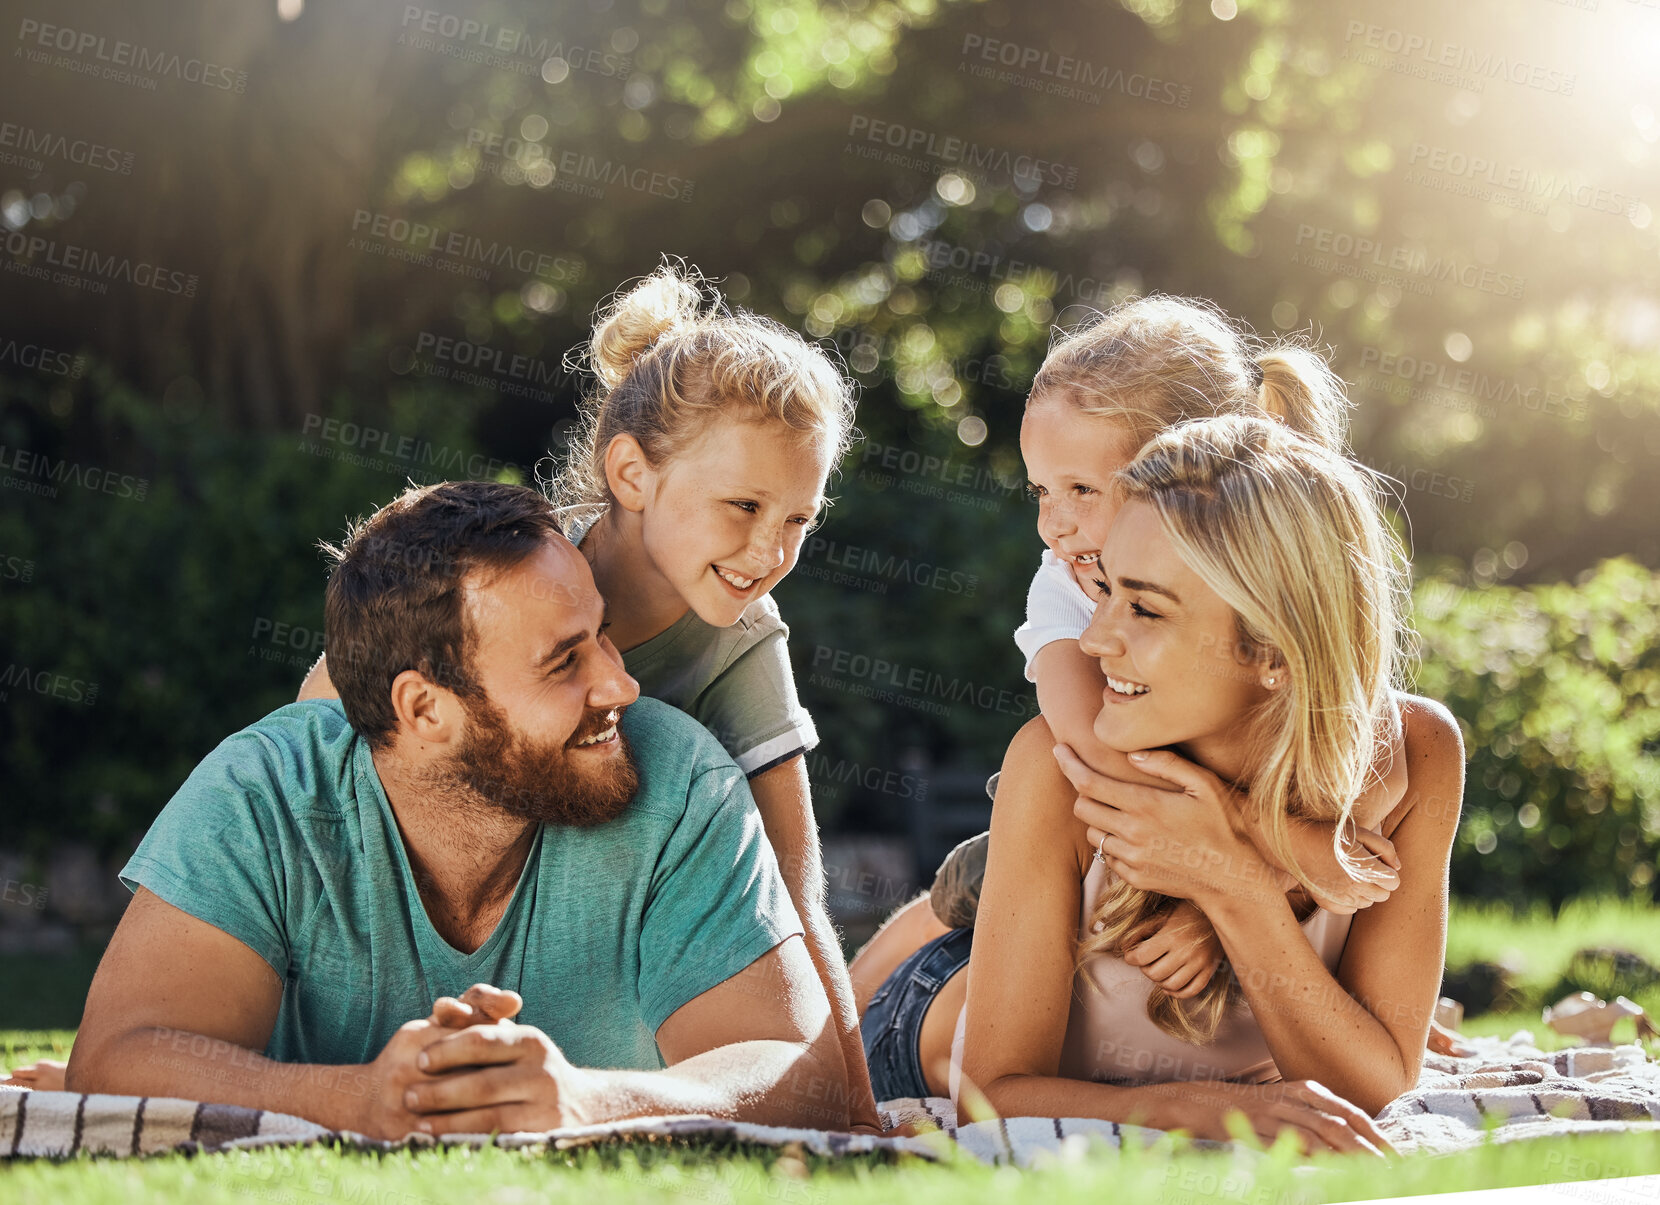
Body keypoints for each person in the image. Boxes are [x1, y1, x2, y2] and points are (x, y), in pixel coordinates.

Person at [62, 481, 849, 1138]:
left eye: (602, 637)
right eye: (564, 661)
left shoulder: (680, 784)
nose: (620, 685)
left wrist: (588, 1100)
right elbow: (116, 1055)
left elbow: (803, 1069)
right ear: (426, 710)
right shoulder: (264, 792)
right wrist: (357, 1099)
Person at [299, 261, 880, 1128]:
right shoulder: (519, 567)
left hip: (612, 928)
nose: (770, 549)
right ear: (632, 474)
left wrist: (858, 1110)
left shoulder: (746, 641)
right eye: (744, 505)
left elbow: (797, 890)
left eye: (798, 518)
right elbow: (315, 732)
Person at [860, 415, 1465, 1153]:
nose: (1094, 638)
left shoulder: (1414, 756)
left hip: (1062, 952)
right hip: (924, 1027)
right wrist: (1205, 1107)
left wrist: (1233, 884)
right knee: (904, 962)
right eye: (1106, 589)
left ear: (1273, 651)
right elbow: (995, 1096)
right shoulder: (1053, 764)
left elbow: (1375, 1083)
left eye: (1144, 607)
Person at [850, 298, 1407, 1051]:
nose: (1054, 523)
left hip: (1188, 837)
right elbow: (1098, 757)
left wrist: (1240, 890)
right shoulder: (1061, 584)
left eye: (1082, 489)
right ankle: (829, 1032)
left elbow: (1350, 768)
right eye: (1042, 491)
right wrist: (1286, 852)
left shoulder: (1276, 610)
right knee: (946, 913)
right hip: (1086, 830)